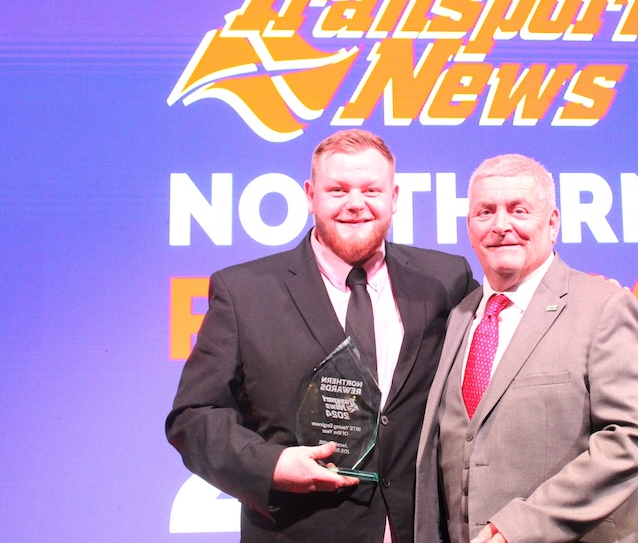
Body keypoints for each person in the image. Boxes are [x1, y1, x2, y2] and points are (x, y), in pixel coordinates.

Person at [166, 129, 478, 543]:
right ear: (310, 196)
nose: (356, 203)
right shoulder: (244, 292)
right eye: (338, 189)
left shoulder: (446, 279)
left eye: (371, 190)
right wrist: (271, 465)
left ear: (394, 197)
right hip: (299, 530)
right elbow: (194, 416)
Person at [414, 154, 638, 543]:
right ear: (469, 226)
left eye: (519, 210)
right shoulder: (460, 316)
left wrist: (519, 528)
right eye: (485, 212)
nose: (501, 225)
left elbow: (636, 435)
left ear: (552, 222)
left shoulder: (602, 305)